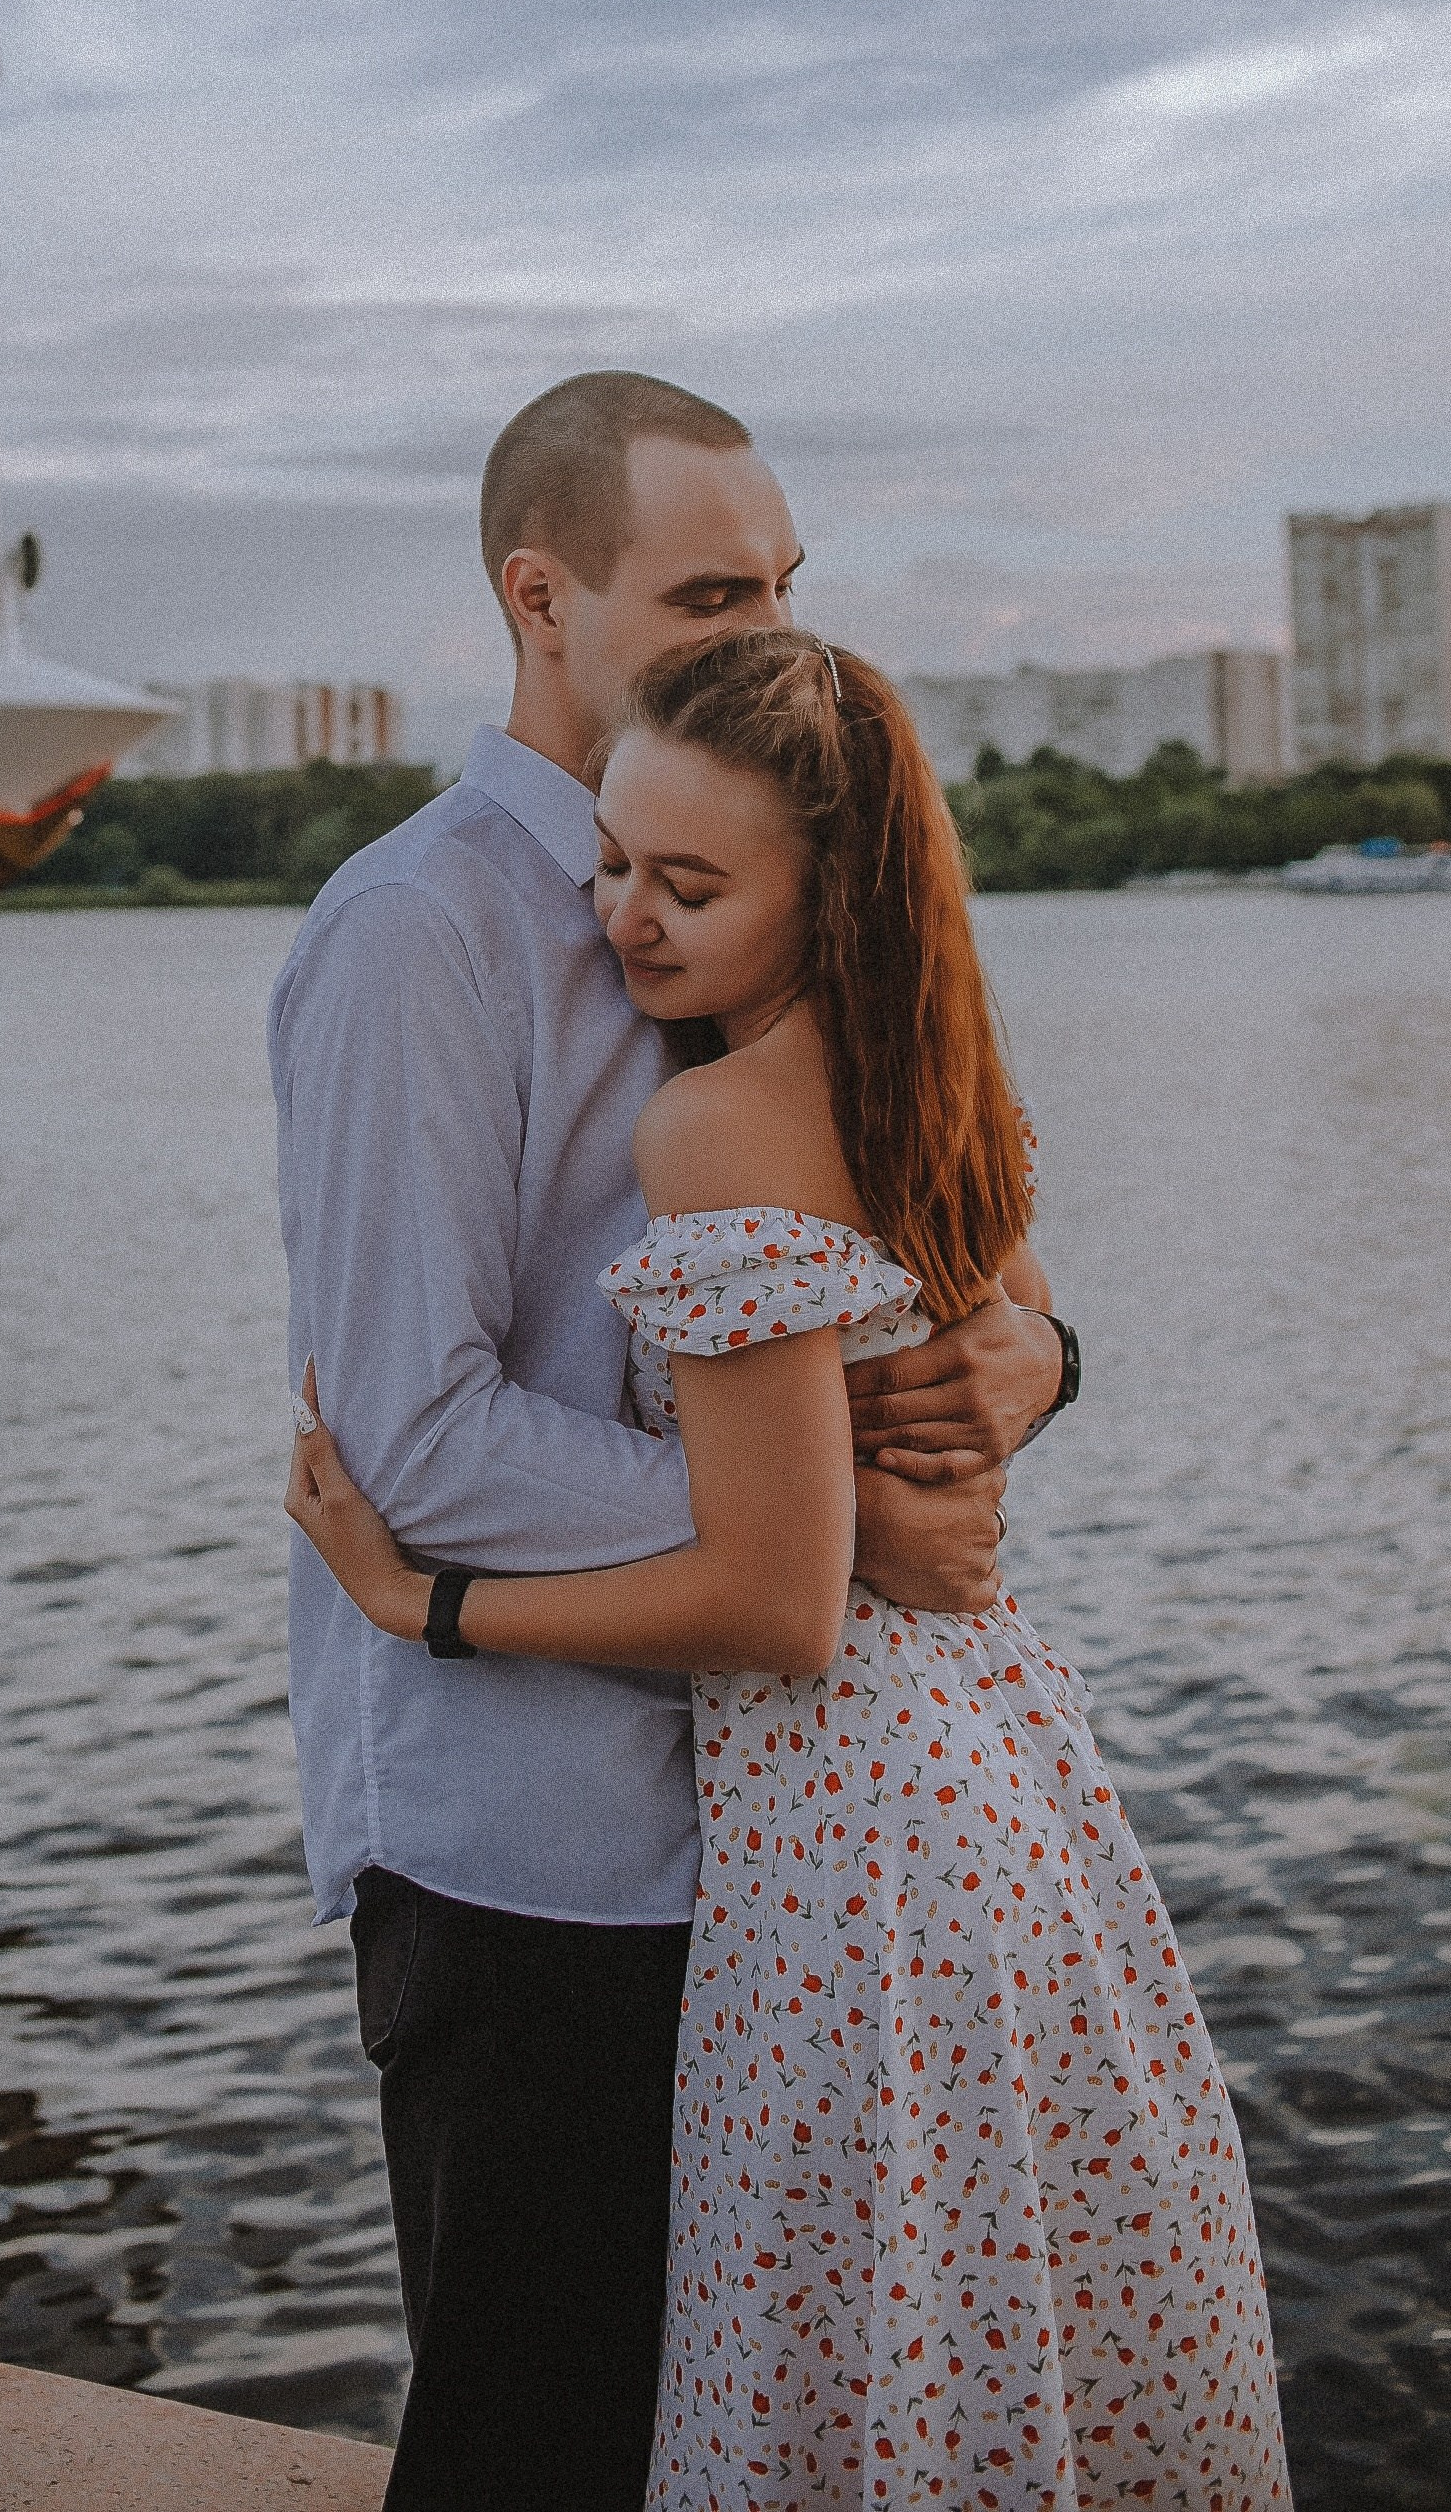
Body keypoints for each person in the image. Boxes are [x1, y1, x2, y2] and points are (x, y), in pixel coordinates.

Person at [288, 626, 1289, 2511]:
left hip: (847, 1816)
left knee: (832, 2352)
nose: (622, 920)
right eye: (611, 862)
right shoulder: (931, 1061)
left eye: (687, 883)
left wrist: (426, 1602)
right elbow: (1010, 1338)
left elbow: (772, 1599)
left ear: (819, 893)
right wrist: (1030, 1371)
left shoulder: (716, 1119)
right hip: (1009, 1779)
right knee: (975, 2320)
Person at [268, 375, 1069, 2512]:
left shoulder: (761, 871)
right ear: (540, 597)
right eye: (706, 589)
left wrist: (1044, 1359)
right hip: (530, 1846)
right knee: (534, 2440)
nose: (756, 629)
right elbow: (409, 1436)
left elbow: (899, 1238)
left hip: (790, 1840)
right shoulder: (419, 935)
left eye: (780, 588)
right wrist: (829, 1539)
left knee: (742, 2446)